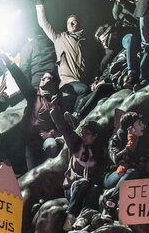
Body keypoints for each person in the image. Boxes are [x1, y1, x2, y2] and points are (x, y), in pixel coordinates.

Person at [46, 95, 107, 228]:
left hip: (89, 190)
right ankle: (70, 216)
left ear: (95, 136)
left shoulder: (100, 153)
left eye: (86, 134)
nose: (82, 135)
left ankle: (86, 217)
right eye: (82, 132)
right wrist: (54, 109)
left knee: (95, 187)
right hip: (73, 187)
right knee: (82, 182)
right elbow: (64, 128)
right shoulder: (76, 143)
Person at [35, 0, 100, 113]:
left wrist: (95, 80)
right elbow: (43, 23)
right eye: (69, 22)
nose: (72, 24)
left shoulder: (88, 43)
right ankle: (76, 116)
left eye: (75, 21)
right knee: (84, 90)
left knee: (90, 91)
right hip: (68, 83)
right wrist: (40, 1)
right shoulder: (59, 37)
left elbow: (94, 65)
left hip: (84, 82)